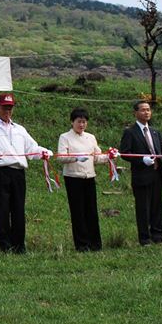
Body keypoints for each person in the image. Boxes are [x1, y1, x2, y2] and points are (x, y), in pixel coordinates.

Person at [0, 92, 50, 254]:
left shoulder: (19, 130)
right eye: (4, 108)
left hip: (18, 173)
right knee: (1, 209)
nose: (7, 111)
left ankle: (19, 245)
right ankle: (4, 245)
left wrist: (43, 152)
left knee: (18, 209)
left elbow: (32, 149)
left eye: (10, 108)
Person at [119, 100, 162, 246]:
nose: (146, 112)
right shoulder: (130, 132)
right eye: (143, 110)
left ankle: (158, 235)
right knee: (143, 208)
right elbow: (125, 153)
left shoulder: (154, 132)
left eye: (148, 109)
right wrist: (141, 160)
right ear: (136, 113)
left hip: (156, 174)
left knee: (157, 206)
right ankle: (144, 238)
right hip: (141, 175)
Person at [56, 107, 108, 252]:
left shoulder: (90, 137)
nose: (82, 125)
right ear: (72, 122)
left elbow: (96, 157)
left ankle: (95, 243)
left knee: (91, 210)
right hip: (73, 178)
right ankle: (82, 244)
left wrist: (109, 157)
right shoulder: (65, 137)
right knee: (78, 211)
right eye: (79, 121)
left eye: (84, 122)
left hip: (89, 177)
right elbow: (61, 157)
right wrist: (76, 158)